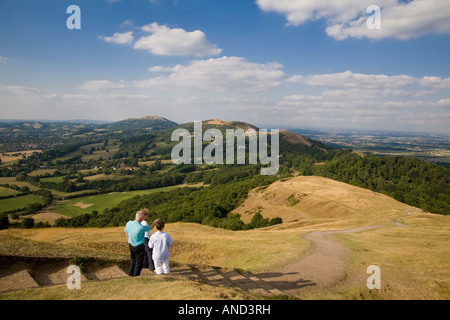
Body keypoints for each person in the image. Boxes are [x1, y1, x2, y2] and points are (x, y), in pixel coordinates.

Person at [124, 210, 150, 277]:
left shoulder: (129, 223)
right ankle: (136, 275)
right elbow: (150, 228)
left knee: (133, 260)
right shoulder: (140, 227)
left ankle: (131, 273)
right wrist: (154, 223)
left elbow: (126, 232)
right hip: (139, 245)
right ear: (141, 218)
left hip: (130, 243)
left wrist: (129, 238)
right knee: (139, 261)